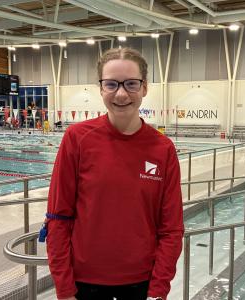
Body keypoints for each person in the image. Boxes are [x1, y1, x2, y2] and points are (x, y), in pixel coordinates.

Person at [46, 48, 184, 300]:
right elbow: (58, 217)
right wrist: (64, 290)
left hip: (142, 284)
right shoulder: (77, 139)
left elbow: (171, 229)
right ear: (101, 88)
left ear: (145, 88)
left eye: (131, 84)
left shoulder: (163, 149)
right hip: (83, 284)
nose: (121, 94)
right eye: (111, 84)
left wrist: (158, 291)